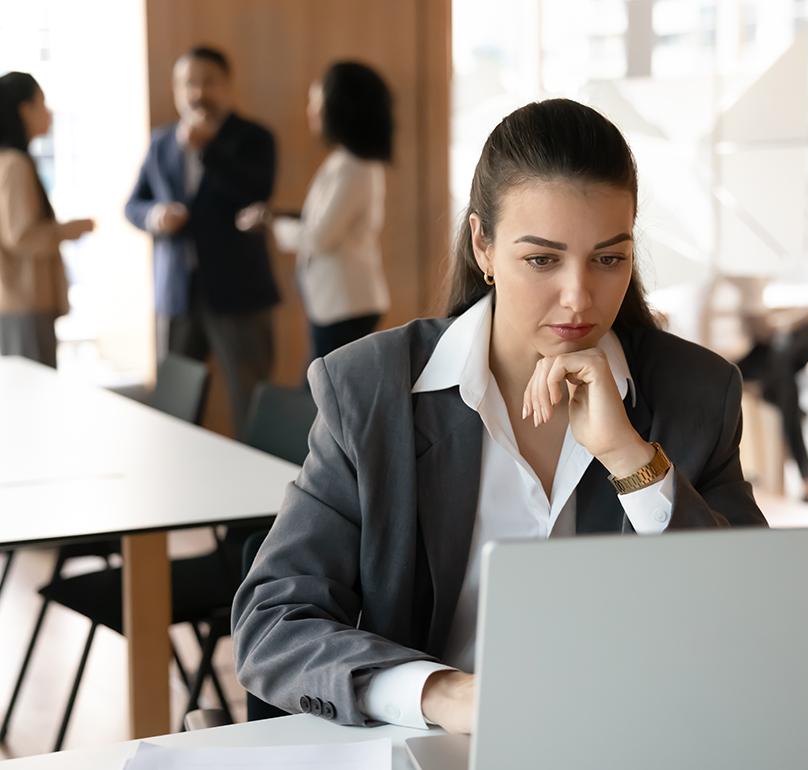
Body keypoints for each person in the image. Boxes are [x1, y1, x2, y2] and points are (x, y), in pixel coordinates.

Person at [232, 99, 766, 736]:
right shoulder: (370, 390)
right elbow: (274, 623)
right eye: (542, 259)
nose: (579, 296)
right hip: (435, 748)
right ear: (483, 243)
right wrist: (444, 693)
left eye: (609, 258)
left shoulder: (695, 394)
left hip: (627, 741)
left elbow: (750, 621)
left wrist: (631, 458)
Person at [124, 46, 279, 434]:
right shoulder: (161, 142)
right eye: (188, 83)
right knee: (174, 406)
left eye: (208, 81)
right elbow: (133, 205)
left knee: (250, 399)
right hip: (177, 292)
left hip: (238, 292)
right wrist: (155, 216)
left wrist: (207, 149)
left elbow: (255, 190)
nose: (198, 92)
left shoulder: (253, 137)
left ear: (227, 85)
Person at [237, 61, 392, 360]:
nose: (310, 110)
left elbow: (320, 236)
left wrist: (270, 222)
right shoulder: (345, 162)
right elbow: (319, 220)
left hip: (346, 304)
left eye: (316, 102)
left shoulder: (355, 168)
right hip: (335, 303)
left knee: (324, 393)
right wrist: (277, 216)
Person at [0, 72, 94, 367]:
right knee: (32, 394)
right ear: (23, 109)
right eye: (41, 103)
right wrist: (71, 229)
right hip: (24, 300)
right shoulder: (15, 163)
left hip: (20, 302)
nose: (48, 112)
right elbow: (20, 236)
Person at [727, 277, 808, 506]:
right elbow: (763, 332)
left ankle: (776, 390)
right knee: (788, 385)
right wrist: (799, 317)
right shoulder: (746, 281)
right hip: (740, 361)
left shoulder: (745, 282)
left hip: (758, 357)